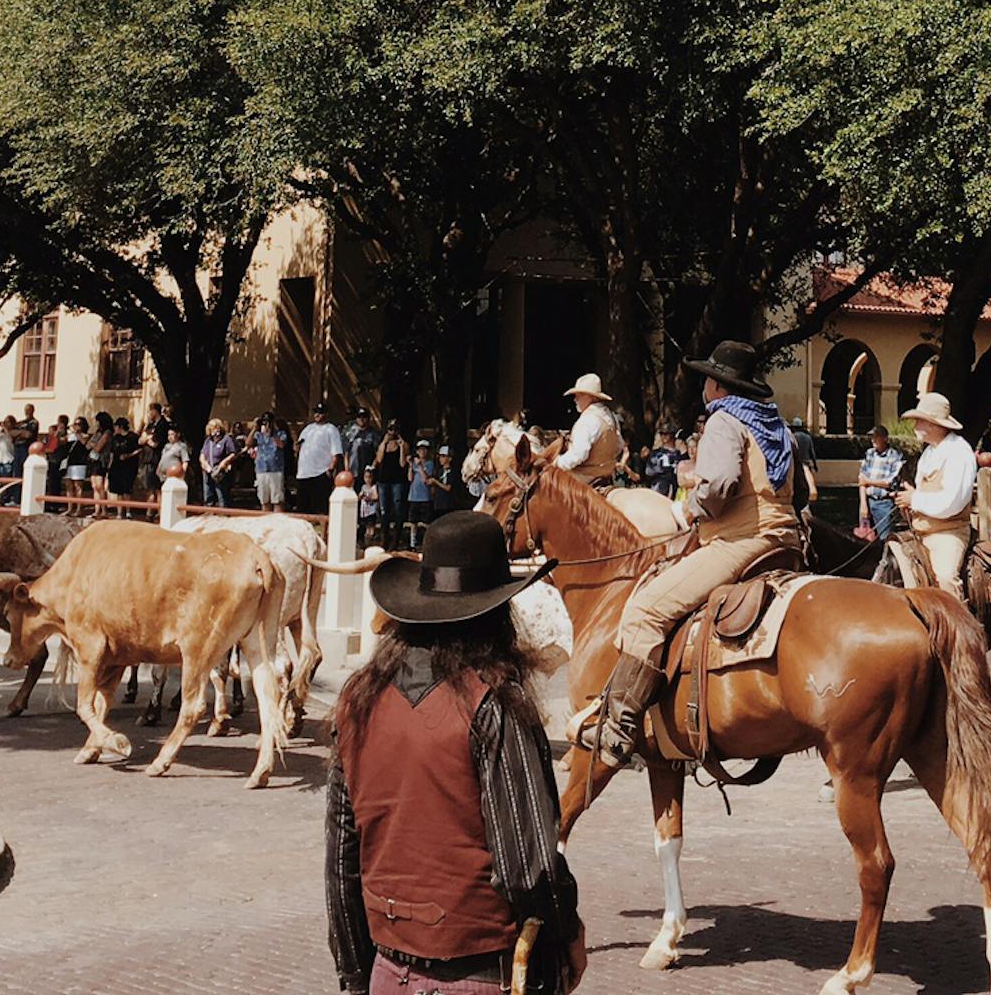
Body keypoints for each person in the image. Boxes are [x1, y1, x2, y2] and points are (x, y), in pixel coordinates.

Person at [327, 511, 585, 995]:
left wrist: (357, 975)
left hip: (387, 972)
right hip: (479, 976)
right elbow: (528, 869)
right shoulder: (495, 703)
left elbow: (342, 862)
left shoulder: (357, 700)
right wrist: (568, 931)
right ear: (497, 614)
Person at [595, 340, 804, 770]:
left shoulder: (725, 421)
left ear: (718, 386)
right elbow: (799, 491)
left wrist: (693, 504)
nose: (705, 385)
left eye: (708, 378)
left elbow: (721, 483)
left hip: (741, 542)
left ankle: (621, 727)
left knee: (647, 610)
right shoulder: (776, 425)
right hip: (787, 544)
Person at [893, 391, 977, 599]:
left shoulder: (959, 452)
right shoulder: (930, 453)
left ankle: (960, 628)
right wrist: (911, 498)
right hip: (921, 531)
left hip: (948, 532)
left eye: (920, 421)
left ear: (934, 425)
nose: (915, 426)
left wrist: (915, 499)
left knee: (946, 577)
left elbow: (953, 502)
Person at [555, 375, 624, 488]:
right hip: (607, 477)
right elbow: (619, 446)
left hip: (584, 479)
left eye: (579, 395)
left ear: (590, 397)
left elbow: (578, 455)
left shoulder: (587, 420)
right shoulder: (612, 417)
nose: (575, 399)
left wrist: (557, 463)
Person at [297, 404, 347, 518]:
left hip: (320, 473)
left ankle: (323, 532)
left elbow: (336, 452)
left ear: (326, 415)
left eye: (321, 412)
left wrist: (330, 469)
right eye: (316, 412)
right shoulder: (308, 428)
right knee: (303, 509)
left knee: (321, 509)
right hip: (304, 474)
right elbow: (299, 446)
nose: (318, 415)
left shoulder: (331, 429)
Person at [858, 423, 905, 542]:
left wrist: (869, 481)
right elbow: (861, 480)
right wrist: (863, 504)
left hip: (884, 504)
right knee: (865, 539)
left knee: (885, 539)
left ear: (885, 438)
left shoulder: (894, 456)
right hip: (868, 501)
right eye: (872, 436)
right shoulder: (869, 454)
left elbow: (890, 482)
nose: (873, 439)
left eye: (876, 436)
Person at [252, 413, 291, 511]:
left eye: (268, 421)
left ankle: (277, 522)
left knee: (277, 499)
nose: (266, 424)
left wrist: (271, 433)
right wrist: (255, 428)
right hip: (261, 469)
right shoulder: (258, 434)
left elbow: (281, 445)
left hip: (276, 469)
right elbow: (248, 443)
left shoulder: (280, 433)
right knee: (264, 500)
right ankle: (265, 522)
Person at [200, 417, 236, 508]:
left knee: (222, 494)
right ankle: (209, 513)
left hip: (220, 471)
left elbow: (232, 453)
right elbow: (202, 455)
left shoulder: (226, 439)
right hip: (208, 470)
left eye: (217, 427)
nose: (216, 429)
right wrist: (205, 464)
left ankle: (224, 514)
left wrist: (223, 462)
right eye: (213, 427)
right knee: (208, 494)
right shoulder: (208, 441)